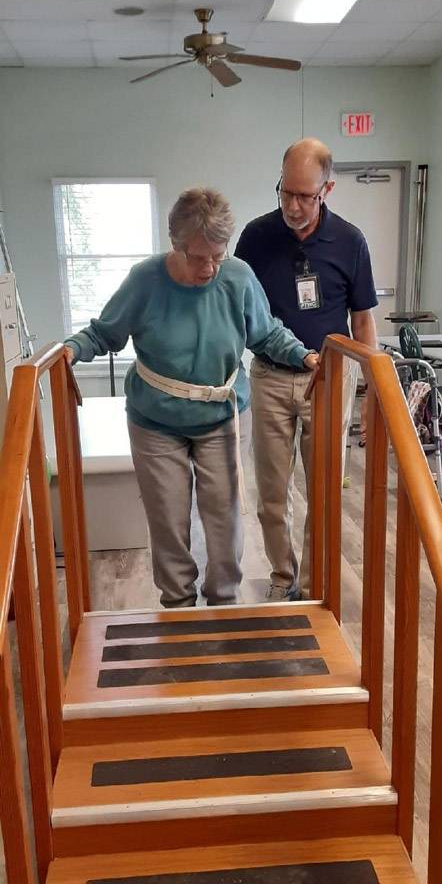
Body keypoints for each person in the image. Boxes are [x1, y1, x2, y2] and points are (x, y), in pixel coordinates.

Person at [63, 187, 317, 609]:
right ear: (176, 245)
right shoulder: (145, 280)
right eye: (198, 257)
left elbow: (267, 332)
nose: (210, 267)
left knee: (224, 521)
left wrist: (303, 354)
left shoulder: (237, 276)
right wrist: (72, 349)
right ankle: (178, 605)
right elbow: (104, 332)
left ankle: (221, 603)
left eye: (217, 256)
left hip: (222, 416)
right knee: (168, 519)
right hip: (156, 421)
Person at [235, 138, 378, 601]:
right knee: (273, 493)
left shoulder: (350, 241)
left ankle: (318, 587)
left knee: (323, 491)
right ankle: (283, 580)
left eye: (305, 195)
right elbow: (239, 309)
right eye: (285, 192)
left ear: (327, 189)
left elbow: (362, 319)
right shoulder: (255, 238)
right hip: (271, 375)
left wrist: (373, 387)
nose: (293, 206)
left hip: (329, 379)